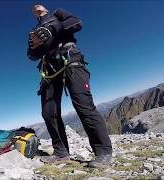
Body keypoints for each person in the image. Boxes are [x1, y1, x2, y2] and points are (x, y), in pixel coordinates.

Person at [27, 4, 113, 168]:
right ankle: (61, 153)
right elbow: (31, 56)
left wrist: (52, 28)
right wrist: (34, 46)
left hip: (70, 59)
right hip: (49, 68)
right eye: (33, 6)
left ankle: (103, 154)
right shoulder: (33, 32)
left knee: (83, 105)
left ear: (45, 8)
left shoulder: (58, 14)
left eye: (39, 4)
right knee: (48, 112)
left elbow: (76, 23)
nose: (35, 5)